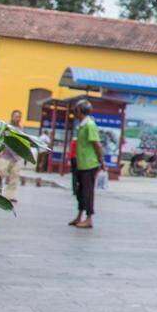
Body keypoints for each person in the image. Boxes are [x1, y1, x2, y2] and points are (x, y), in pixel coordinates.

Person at [69, 99, 101, 230]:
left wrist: (101, 160)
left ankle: (89, 219)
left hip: (89, 164)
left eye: (76, 109)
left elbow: (97, 144)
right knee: (80, 191)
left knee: (87, 192)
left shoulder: (90, 125)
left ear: (80, 110)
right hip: (81, 163)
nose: (74, 112)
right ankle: (79, 215)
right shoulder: (81, 125)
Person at [0, 108, 26, 206]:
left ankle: (9, 196)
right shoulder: (6, 127)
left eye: (19, 117)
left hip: (17, 157)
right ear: (12, 117)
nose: (18, 118)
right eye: (16, 116)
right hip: (5, 155)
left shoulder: (21, 129)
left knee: (14, 177)